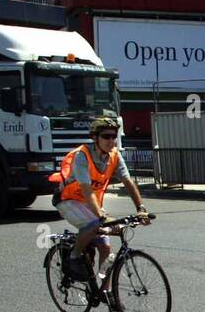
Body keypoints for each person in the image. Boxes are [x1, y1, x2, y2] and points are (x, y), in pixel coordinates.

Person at [50, 117, 150, 293]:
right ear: (95, 138)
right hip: (68, 200)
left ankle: (104, 290)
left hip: (89, 203)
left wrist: (141, 209)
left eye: (114, 136)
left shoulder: (114, 155)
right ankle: (73, 257)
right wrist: (101, 216)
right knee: (94, 224)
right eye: (106, 136)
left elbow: (127, 181)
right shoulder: (82, 156)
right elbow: (87, 190)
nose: (111, 141)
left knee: (106, 247)